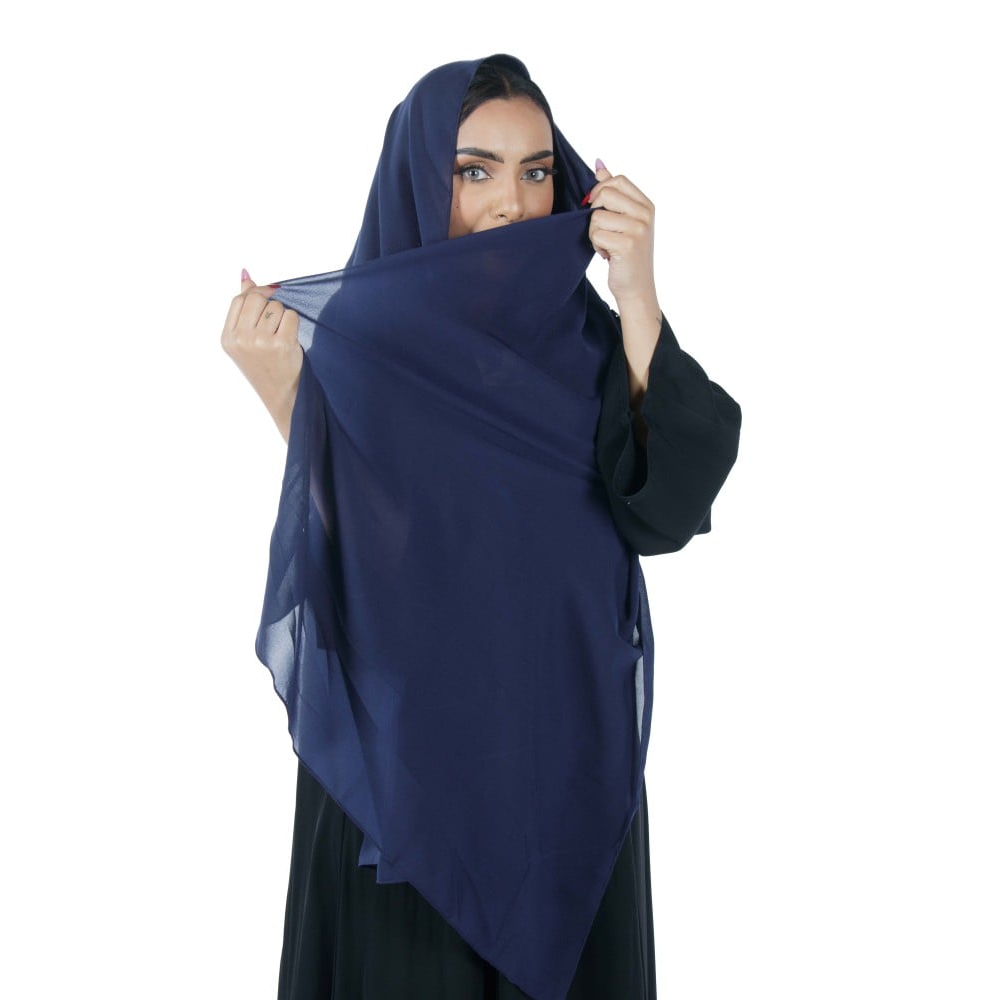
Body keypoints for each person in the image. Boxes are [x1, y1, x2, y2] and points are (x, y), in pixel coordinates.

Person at [221, 54, 740, 1000]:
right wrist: (290, 398)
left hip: (567, 776)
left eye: (536, 170)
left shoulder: (589, 339)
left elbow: (668, 508)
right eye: (475, 171)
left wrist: (637, 294)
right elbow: (377, 571)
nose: (512, 202)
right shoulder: (368, 344)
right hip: (412, 782)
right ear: (421, 182)